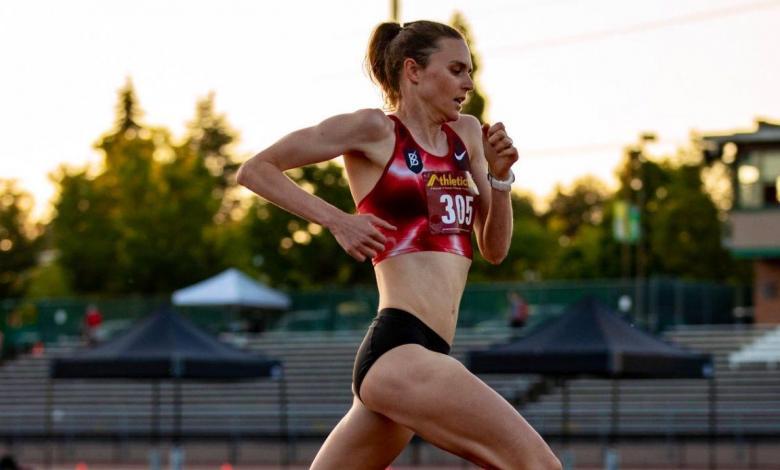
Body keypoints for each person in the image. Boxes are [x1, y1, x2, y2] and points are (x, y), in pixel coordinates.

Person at [237, 20, 561, 470]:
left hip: (423, 358)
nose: (468, 83)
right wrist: (338, 221)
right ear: (413, 71)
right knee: (538, 466)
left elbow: (494, 248)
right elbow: (256, 169)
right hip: (399, 351)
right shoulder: (375, 130)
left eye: (469, 71)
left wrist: (501, 178)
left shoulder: (466, 136)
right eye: (456, 69)